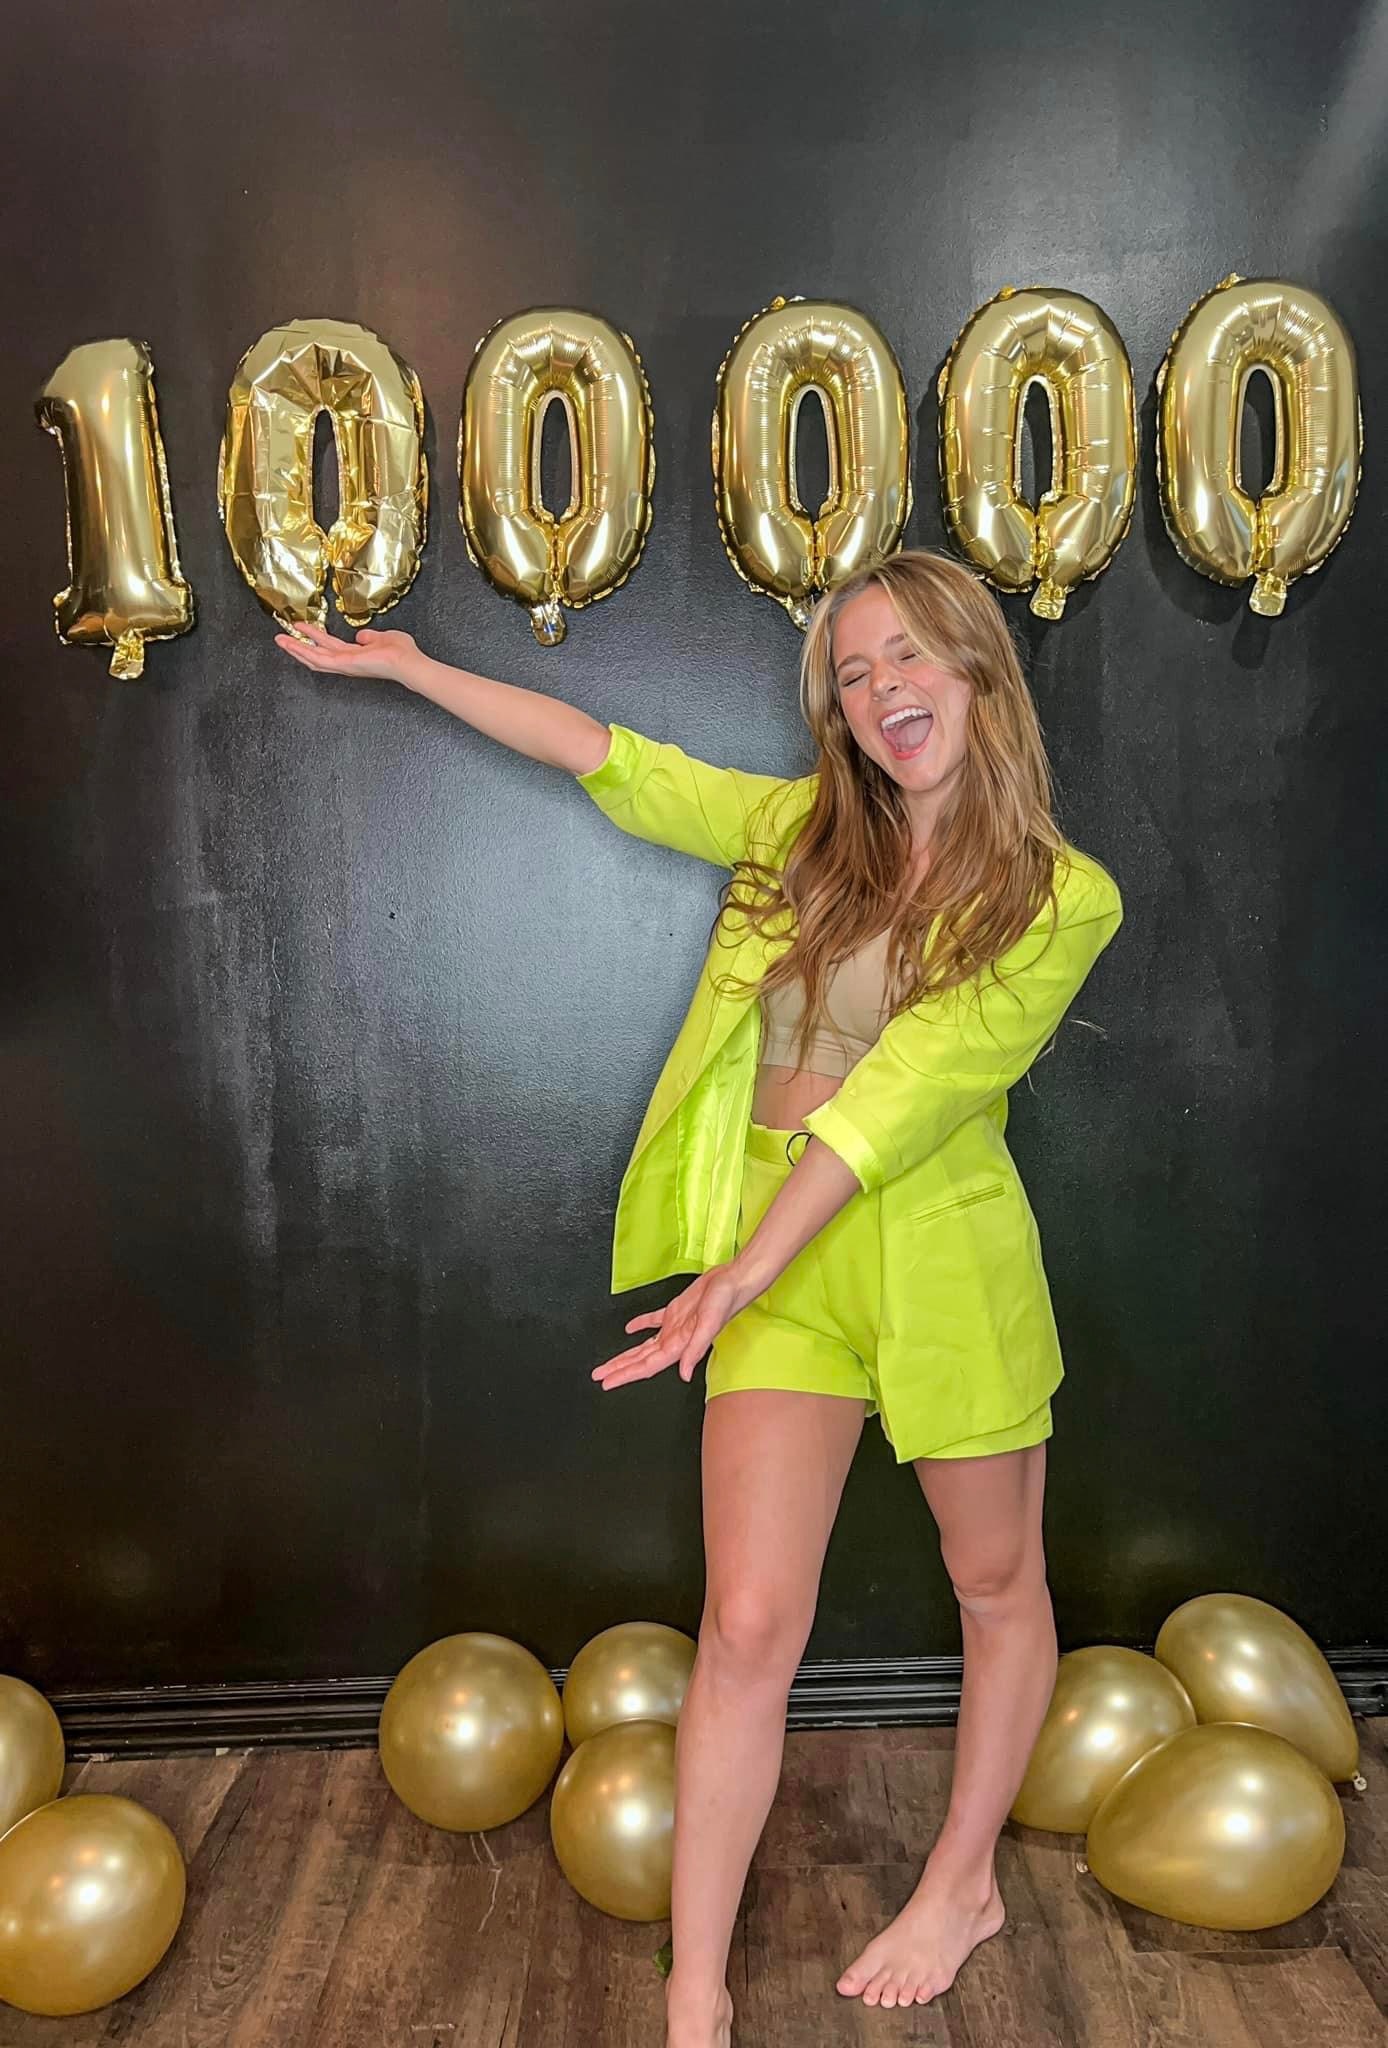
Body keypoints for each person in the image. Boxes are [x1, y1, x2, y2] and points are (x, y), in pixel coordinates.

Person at [276, 549, 1122, 2047]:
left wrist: (743, 1265)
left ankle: (961, 1885)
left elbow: (908, 1091)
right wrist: (410, 669)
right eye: (852, 672)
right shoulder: (801, 835)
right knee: (742, 1625)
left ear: (976, 670)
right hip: (777, 1263)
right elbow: (614, 760)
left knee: (997, 1587)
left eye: (909, 655)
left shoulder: (1064, 897)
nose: (882, 688)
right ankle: (695, 1993)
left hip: (938, 1258)